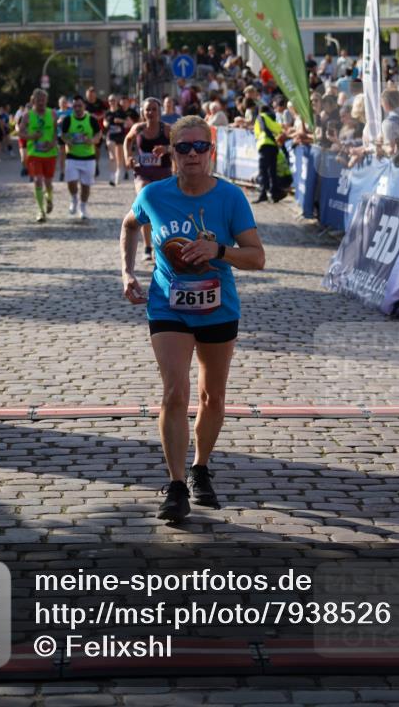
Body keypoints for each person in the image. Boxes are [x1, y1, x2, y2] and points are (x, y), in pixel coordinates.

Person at [120, 116, 265, 523]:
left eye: (201, 147)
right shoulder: (153, 194)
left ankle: (201, 467)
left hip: (218, 308)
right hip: (168, 305)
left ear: (212, 152)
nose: (193, 155)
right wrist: (128, 271)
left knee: (211, 397)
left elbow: (257, 257)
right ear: (171, 153)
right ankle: (176, 483)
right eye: (184, 148)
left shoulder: (231, 198)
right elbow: (130, 225)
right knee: (174, 392)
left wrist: (219, 250)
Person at [124, 98, 172, 262]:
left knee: (161, 210)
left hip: (163, 173)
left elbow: (179, 146)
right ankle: (147, 246)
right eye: (147, 110)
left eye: (153, 109)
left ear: (159, 112)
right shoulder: (138, 128)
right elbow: (127, 140)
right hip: (142, 172)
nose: (150, 113)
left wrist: (166, 149)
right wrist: (128, 156)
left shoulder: (166, 130)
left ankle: (162, 244)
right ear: (142, 112)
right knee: (145, 203)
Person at [18, 88, 58, 222]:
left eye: (43, 100)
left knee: (48, 183)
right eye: (38, 100)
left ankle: (49, 198)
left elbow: (56, 132)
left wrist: (53, 142)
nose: (41, 102)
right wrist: (31, 136)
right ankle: (41, 211)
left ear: (46, 100)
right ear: (33, 100)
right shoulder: (27, 116)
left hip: (50, 153)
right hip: (34, 153)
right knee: (38, 180)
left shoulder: (52, 113)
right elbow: (20, 133)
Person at [60, 93, 102, 220]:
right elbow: (62, 135)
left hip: (88, 157)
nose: (77, 108)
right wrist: (67, 141)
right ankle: (74, 199)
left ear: (84, 106)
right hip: (72, 156)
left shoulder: (91, 119)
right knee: (71, 181)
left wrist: (92, 140)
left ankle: (83, 207)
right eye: (75, 106)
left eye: (79, 106)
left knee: (85, 185)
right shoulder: (68, 120)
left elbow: (99, 134)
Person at [254, 104, 286, 204]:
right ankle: (274, 194)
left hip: (265, 146)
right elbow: (280, 131)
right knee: (272, 171)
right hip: (273, 147)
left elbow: (264, 129)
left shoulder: (261, 116)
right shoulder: (273, 121)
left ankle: (263, 193)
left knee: (263, 171)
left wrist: (271, 139)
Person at [104, 94, 127, 187]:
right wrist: (105, 123)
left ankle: (118, 174)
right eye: (110, 100)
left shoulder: (121, 112)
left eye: (113, 100)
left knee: (119, 157)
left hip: (120, 136)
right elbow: (104, 121)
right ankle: (112, 177)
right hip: (110, 135)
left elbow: (127, 122)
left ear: (116, 101)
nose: (112, 102)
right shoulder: (107, 113)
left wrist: (120, 121)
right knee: (112, 156)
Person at [56, 96, 71, 182]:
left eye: (65, 102)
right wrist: (58, 121)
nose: (63, 104)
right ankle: (62, 172)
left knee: (68, 153)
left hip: (69, 135)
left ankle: (69, 171)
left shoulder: (70, 112)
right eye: (62, 102)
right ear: (59, 104)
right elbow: (54, 124)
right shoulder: (56, 113)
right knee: (61, 154)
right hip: (60, 135)